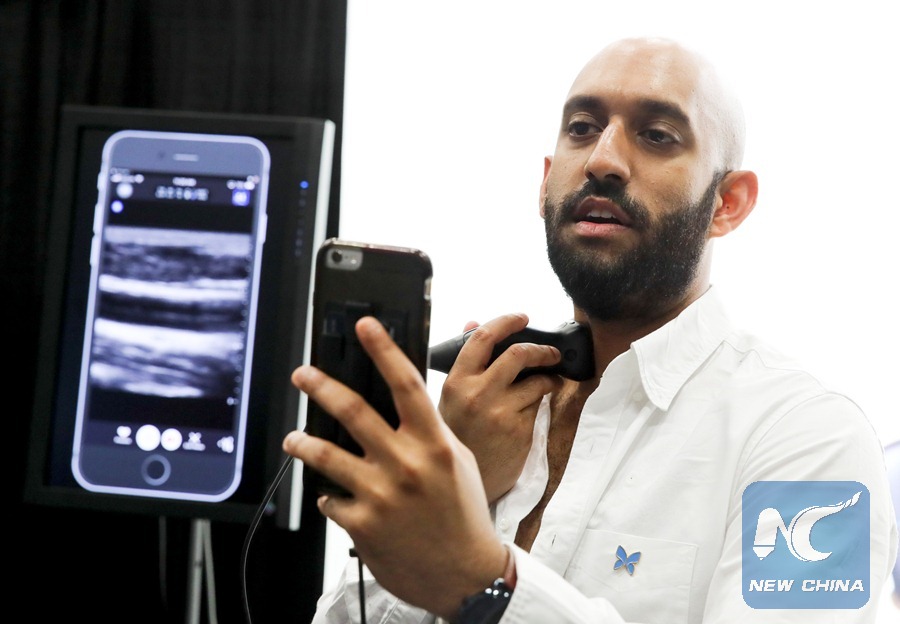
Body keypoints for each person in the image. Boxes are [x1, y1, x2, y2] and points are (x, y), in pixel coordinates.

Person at [283, 36, 899, 623]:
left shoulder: (813, 442)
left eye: (657, 135)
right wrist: (457, 485)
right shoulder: (484, 415)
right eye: (582, 128)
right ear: (545, 181)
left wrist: (482, 578)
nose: (602, 159)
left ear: (727, 202)